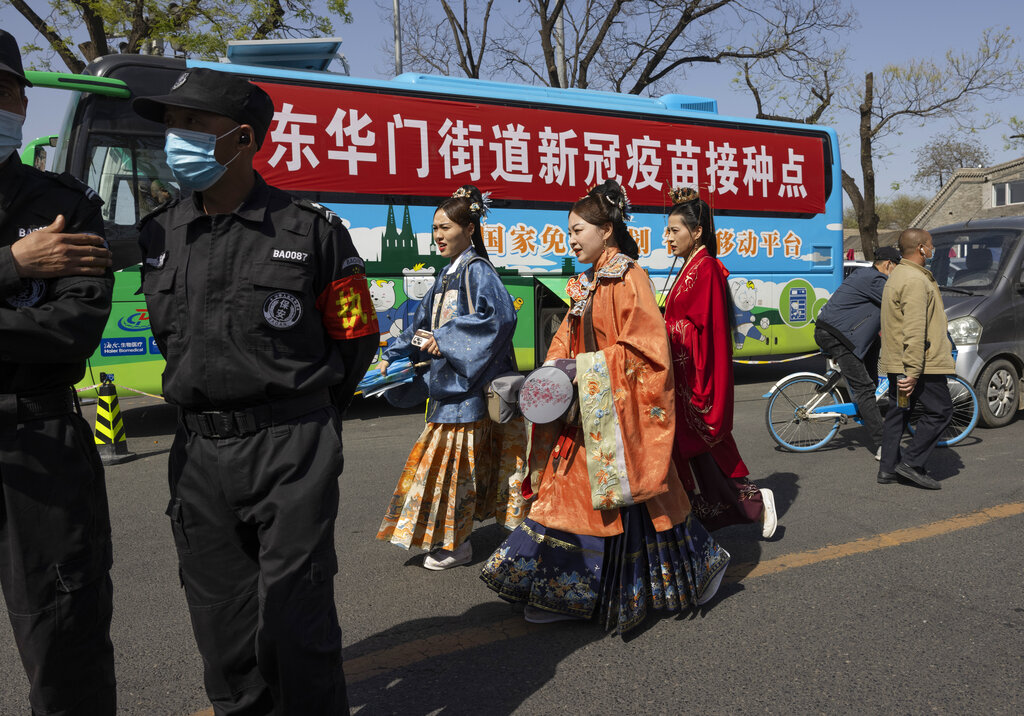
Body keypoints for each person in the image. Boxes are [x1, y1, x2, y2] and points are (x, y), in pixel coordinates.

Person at [133, 67, 378, 714]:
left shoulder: (311, 232)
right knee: (225, 641)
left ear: (242, 139)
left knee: (297, 631)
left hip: (290, 448)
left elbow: (355, 340)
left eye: (190, 125)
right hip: (198, 459)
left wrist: (312, 421)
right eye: (169, 125)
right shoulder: (160, 234)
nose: (173, 139)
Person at [481, 181, 730, 635]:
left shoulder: (629, 277)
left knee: (639, 500)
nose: (571, 239)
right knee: (574, 499)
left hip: (616, 414)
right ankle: (567, 589)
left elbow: (648, 353)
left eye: (578, 230)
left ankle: (692, 569)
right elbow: (568, 340)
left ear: (607, 229)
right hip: (588, 410)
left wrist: (583, 369)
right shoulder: (590, 281)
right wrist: (553, 368)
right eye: (569, 231)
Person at [0, 29, 117, 715]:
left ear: (21, 98)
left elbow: (70, 331)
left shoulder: (65, 205)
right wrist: (14, 266)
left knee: (64, 636)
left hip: (37, 436)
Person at [376, 185, 527, 570]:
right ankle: (469, 539)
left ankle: (459, 545)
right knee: (458, 471)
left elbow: (501, 318)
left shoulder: (477, 271)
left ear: (470, 229)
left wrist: (445, 340)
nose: (438, 235)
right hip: (454, 389)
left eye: (445, 227)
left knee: (455, 472)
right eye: (435, 228)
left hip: (469, 392)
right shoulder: (447, 274)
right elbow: (421, 326)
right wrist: (392, 356)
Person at [662, 187, 778, 538]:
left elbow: (705, 329)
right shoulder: (688, 267)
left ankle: (755, 499)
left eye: (674, 230)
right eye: (667, 230)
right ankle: (698, 522)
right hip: (680, 376)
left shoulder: (707, 268)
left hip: (696, 377)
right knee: (693, 457)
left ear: (697, 231)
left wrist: (662, 327)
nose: (667, 237)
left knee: (709, 451)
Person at [878, 228, 954, 490]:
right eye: (930, 245)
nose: (933, 249)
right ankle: (911, 463)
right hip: (920, 365)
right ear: (921, 248)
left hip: (899, 364)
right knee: (941, 410)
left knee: (899, 412)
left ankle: (887, 468)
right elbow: (914, 328)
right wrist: (913, 371)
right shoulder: (914, 280)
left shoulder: (898, 274)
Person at [814, 245, 903, 459]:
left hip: (844, 335)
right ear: (889, 265)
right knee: (864, 388)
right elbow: (897, 305)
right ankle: (883, 445)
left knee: (871, 374)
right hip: (839, 336)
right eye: (897, 268)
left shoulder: (866, 275)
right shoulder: (876, 280)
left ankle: (867, 411)